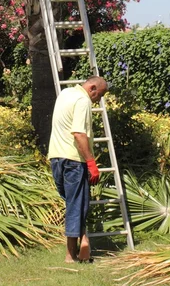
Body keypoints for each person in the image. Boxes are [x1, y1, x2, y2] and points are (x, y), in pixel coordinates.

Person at [48, 76, 109, 263]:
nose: (98, 100)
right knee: (77, 205)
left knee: (75, 203)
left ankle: (83, 243)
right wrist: (91, 163)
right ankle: (70, 255)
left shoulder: (65, 93)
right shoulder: (83, 101)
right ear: (92, 88)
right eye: (99, 95)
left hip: (56, 158)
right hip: (74, 160)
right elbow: (79, 134)